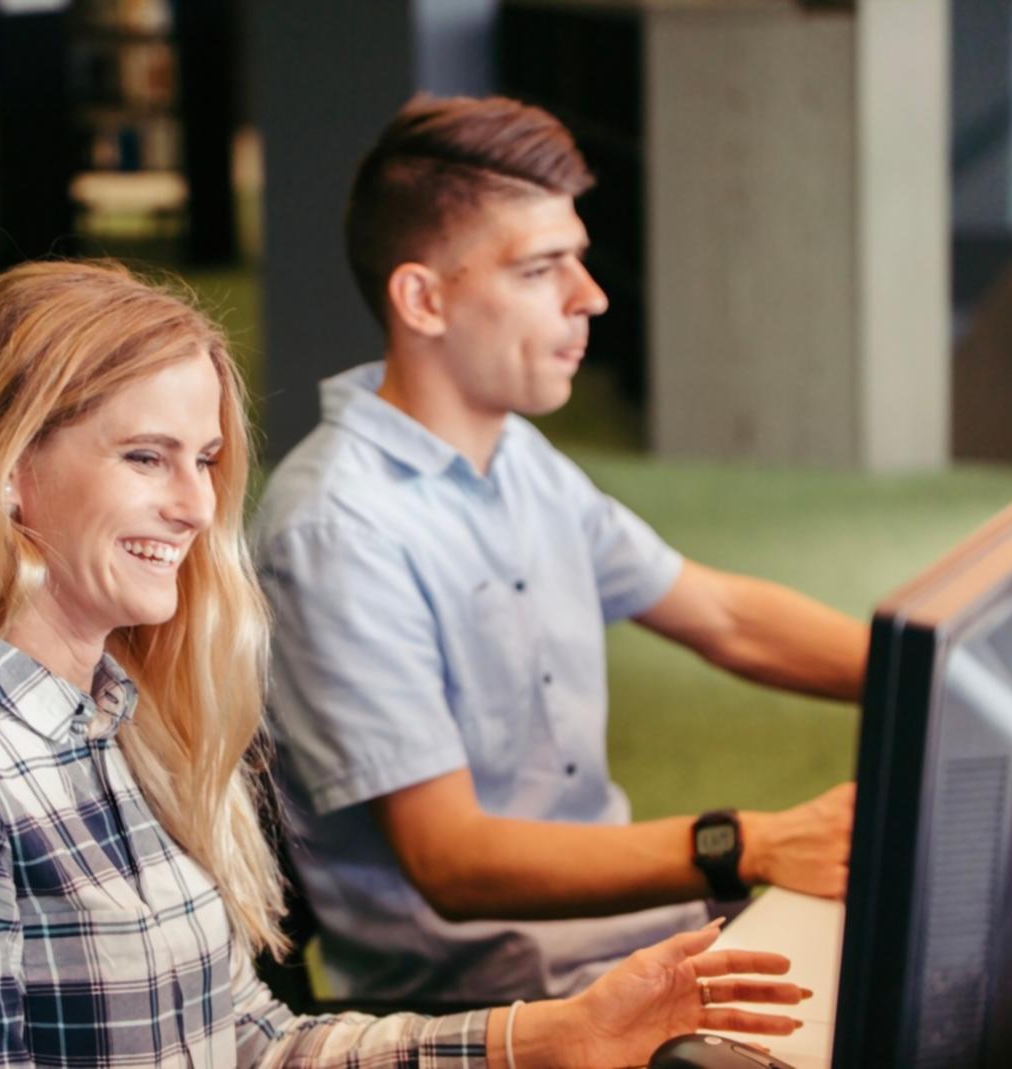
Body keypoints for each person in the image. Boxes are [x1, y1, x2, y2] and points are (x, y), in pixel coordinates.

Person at [0, 259, 810, 1068]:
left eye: (203, 461)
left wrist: (545, 1036)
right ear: (5, 468)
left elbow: (248, 1042)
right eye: (144, 458)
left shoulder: (122, 717)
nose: (199, 508)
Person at [253, 94, 870, 1007]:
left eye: (577, 261)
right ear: (423, 298)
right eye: (544, 269)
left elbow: (727, 618)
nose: (592, 297)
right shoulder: (339, 531)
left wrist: (937, 677)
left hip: (641, 935)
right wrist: (747, 842)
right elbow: (452, 861)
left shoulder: (517, 459)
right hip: (503, 999)